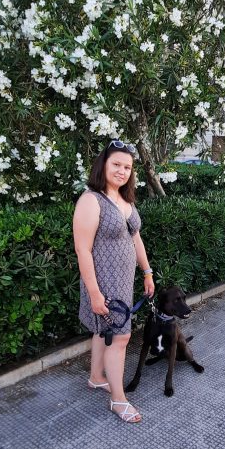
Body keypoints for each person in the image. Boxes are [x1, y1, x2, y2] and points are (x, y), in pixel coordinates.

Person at [73, 139, 155, 424]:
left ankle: (96, 378)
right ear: (103, 165)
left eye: (127, 167)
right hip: (103, 283)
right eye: (116, 165)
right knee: (120, 337)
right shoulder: (90, 200)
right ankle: (118, 400)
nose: (122, 171)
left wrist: (147, 271)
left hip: (123, 281)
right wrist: (95, 294)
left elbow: (136, 237)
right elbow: (82, 250)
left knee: (102, 332)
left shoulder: (126, 200)